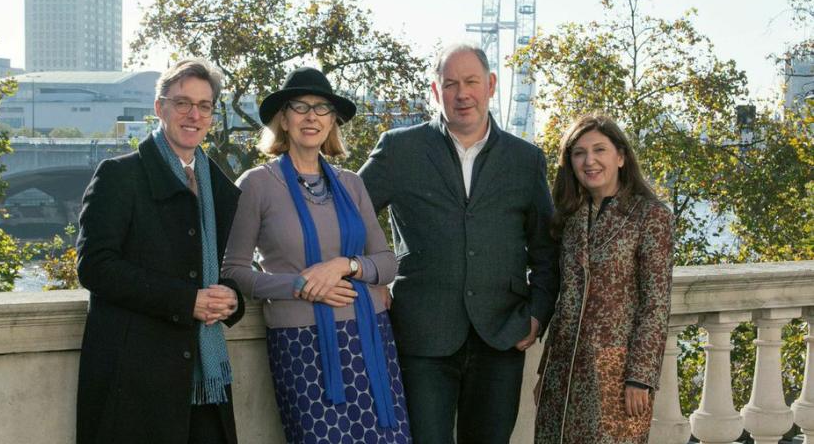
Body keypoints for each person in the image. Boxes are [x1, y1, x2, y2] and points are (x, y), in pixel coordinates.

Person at [358, 43, 559, 444]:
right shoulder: (400, 149)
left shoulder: (525, 160)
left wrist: (538, 314)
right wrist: (371, 278)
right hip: (421, 336)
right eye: (451, 84)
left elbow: (546, 250)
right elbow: (348, 214)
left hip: (501, 336)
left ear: (491, 85)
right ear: (436, 92)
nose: (462, 93)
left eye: (471, 82)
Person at [222, 67, 412, 444]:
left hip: (369, 338)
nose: (312, 116)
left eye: (322, 108)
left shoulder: (351, 183)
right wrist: (301, 285)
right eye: (301, 107)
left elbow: (387, 262)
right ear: (284, 118)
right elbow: (234, 271)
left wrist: (344, 266)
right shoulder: (257, 184)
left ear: (332, 121)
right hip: (301, 345)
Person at [76, 59, 245, 444]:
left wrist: (232, 298)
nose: (194, 115)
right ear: (159, 108)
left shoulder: (219, 186)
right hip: (135, 376)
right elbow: (95, 268)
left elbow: (229, 267)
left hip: (205, 378)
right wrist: (188, 301)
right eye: (182, 102)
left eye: (204, 106)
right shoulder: (119, 176)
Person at [533, 114, 675, 444]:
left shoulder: (651, 216)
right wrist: (546, 370)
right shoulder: (569, 218)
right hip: (564, 372)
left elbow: (655, 304)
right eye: (579, 152)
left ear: (621, 156)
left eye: (600, 149)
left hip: (617, 373)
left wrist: (640, 377)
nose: (590, 160)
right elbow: (565, 300)